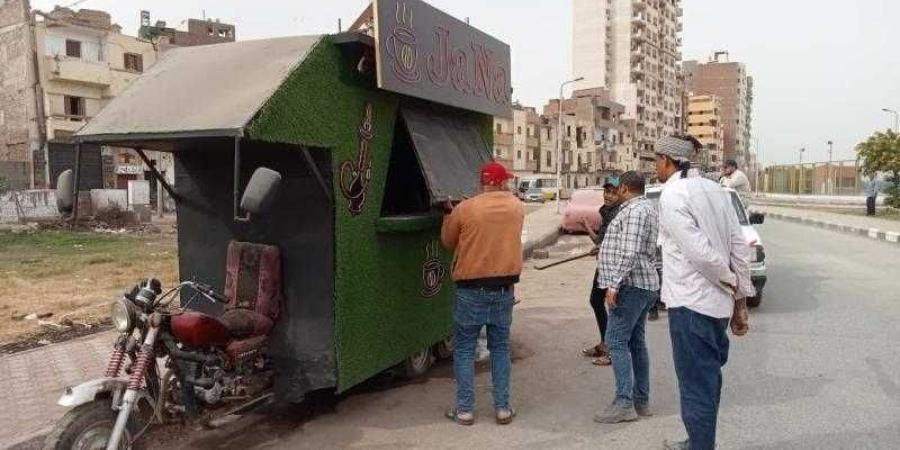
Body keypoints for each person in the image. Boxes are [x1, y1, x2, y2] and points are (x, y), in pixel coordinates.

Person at [654, 135, 753, 450]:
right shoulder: (716, 190)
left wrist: (730, 281)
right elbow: (739, 245)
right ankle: (697, 441)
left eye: (656, 159)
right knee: (707, 381)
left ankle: (700, 446)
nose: (655, 166)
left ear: (668, 161)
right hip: (716, 307)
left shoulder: (672, 195)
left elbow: (699, 253)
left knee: (696, 385)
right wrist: (739, 299)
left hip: (691, 305)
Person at [441, 161, 525, 426]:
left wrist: (450, 213)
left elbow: (448, 241)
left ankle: (465, 410)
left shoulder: (466, 209)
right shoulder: (517, 207)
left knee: (464, 349)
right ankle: (502, 408)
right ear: (501, 182)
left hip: (470, 290)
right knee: (500, 348)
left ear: (483, 183)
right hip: (503, 289)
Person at [593, 171, 660, 424]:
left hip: (630, 286)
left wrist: (613, 285)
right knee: (636, 342)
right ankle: (641, 400)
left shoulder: (633, 211)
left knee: (616, 341)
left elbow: (630, 251)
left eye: (617, 188)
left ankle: (624, 403)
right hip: (643, 284)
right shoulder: (647, 208)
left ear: (623, 189)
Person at [581, 180, 622, 367]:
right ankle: (606, 344)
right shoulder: (606, 212)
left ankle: (611, 349)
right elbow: (600, 240)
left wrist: (601, 248)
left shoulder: (619, 214)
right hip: (604, 264)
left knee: (613, 307)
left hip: (614, 266)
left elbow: (619, 244)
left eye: (613, 192)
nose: (608, 195)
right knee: (595, 301)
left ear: (621, 193)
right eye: (606, 191)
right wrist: (588, 227)